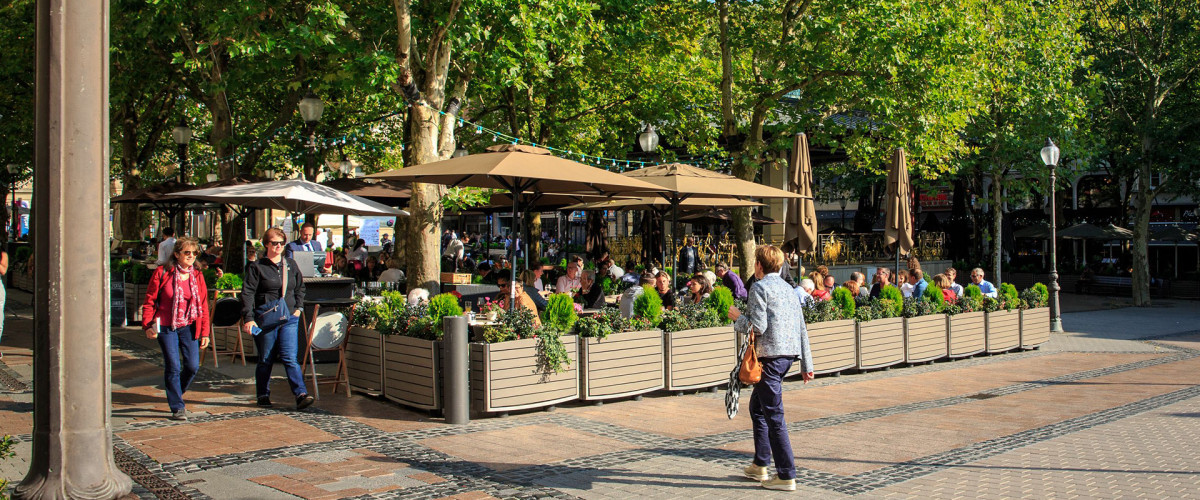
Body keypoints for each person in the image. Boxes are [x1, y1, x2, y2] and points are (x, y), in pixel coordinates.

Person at [728, 244, 812, 492]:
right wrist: (807, 364)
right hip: (787, 357)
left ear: (758, 265)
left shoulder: (759, 287)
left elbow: (758, 327)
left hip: (769, 358)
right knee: (758, 407)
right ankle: (761, 463)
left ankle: (786, 475)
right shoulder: (790, 289)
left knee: (774, 417)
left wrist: (737, 318)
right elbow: (801, 327)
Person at [242, 227, 313, 410]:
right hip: (267, 318)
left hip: (289, 317)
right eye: (274, 243)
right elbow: (248, 293)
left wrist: (298, 307)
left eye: (282, 243)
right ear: (266, 244)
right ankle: (263, 393)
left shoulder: (290, 264)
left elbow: (300, 288)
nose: (279, 246)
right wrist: (249, 318)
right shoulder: (257, 267)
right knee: (266, 358)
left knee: (290, 357)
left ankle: (300, 394)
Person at [141, 237, 212, 420]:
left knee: (192, 366)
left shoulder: (197, 275)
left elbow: (203, 305)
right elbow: (149, 300)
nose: (191, 256)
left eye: (194, 253)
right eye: (187, 252)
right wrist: (148, 324)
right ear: (177, 254)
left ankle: (176, 390)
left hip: (189, 325)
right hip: (166, 325)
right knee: (173, 366)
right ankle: (177, 406)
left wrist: (205, 332)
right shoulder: (163, 272)